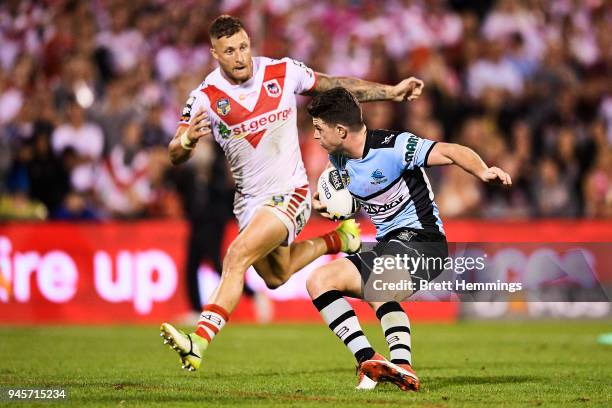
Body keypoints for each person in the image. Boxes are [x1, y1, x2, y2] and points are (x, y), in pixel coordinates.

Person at [160, 15, 425, 372]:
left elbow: (335, 85)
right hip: (249, 203)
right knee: (276, 276)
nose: (240, 57)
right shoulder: (205, 97)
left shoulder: (282, 72)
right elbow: (174, 153)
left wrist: (390, 91)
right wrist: (189, 139)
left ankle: (199, 340)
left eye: (243, 47)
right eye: (229, 51)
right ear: (215, 54)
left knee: (235, 255)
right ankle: (339, 240)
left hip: (290, 192)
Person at [306, 87, 512, 391]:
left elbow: (452, 150)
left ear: (340, 130)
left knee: (379, 285)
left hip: (424, 241)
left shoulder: (394, 147)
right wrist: (323, 205)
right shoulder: (336, 159)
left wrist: (482, 171)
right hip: (390, 244)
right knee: (319, 281)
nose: (314, 136)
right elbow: (327, 195)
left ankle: (398, 365)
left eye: (318, 129)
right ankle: (373, 360)